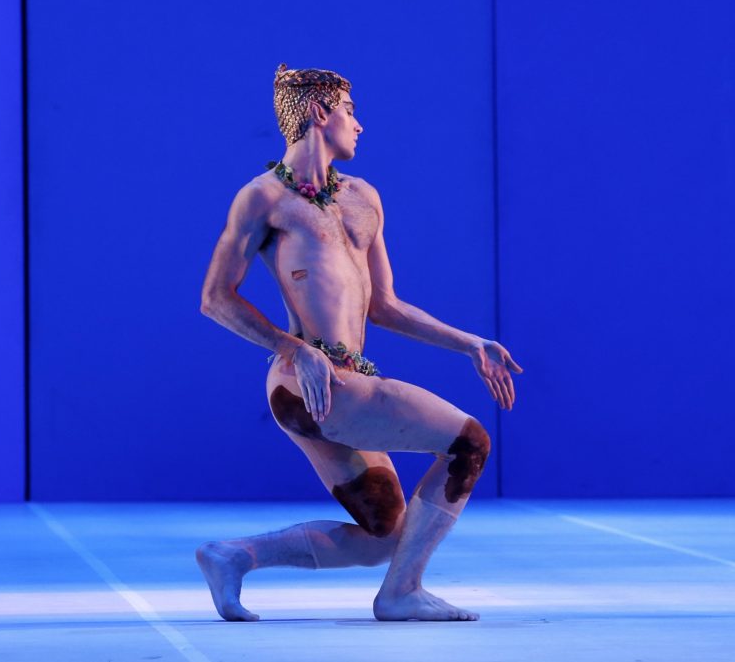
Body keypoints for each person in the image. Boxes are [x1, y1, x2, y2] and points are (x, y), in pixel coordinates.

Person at [195, 64, 523, 622]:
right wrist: (296, 348)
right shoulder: (263, 198)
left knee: (384, 532)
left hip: (344, 381)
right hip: (310, 380)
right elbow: (215, 299)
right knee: (469, 443)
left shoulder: (363, 199)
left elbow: (384, 305)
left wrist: (469, 343)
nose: (360, 125)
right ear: (321, 112)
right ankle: (402, 593)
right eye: (351, 111)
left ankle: (234, 556)